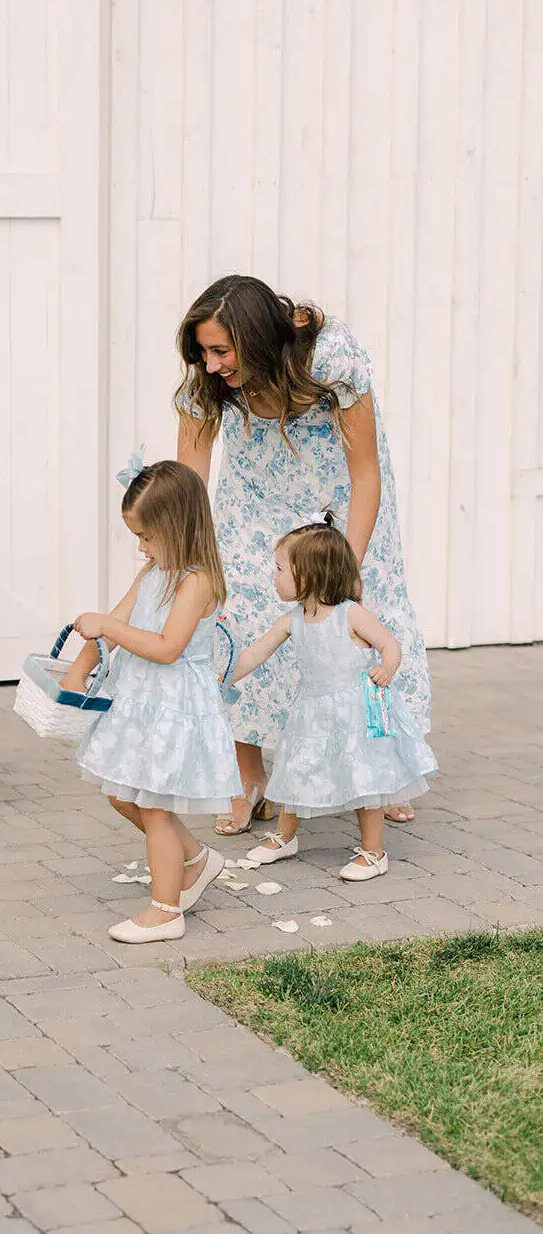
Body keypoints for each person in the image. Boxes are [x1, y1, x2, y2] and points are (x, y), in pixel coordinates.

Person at [175, 275, 430, 837]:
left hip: (339, 499)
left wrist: (346, 568)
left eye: (222, 350)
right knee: (239, 617)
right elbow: (189, 484)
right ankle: (250, 779)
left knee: (359, 627)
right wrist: (187, 561)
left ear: (260, 338)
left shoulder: (331, 356)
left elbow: (366, 474)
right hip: (254, 499)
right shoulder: (205, 380)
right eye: (203, 352)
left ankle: (381, 771)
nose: (211, 364)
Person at [60, 460, 240, 944]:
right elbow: (113, 625)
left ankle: (166, 910)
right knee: (122, 792)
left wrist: (110, 626)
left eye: (147, 536)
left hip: (174, 707)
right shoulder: (152, 572)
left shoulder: (196, 581)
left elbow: (166, 647)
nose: (141, 547)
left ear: (178, 529)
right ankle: (197, 860)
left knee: (154, 805)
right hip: (139, 701)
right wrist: (79, 670)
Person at [232, 518, 437, 879]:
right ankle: (285, 836)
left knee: (364, 779)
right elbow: (256, 653)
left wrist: (387, 669)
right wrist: (225, 675)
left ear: (308, 576)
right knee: (295, 769)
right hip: (311, 711)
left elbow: (389, 643)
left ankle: (374, 852)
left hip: (354, 712)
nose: (273, 577)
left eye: (280, 569)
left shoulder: (350, 614)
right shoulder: (294, 618)